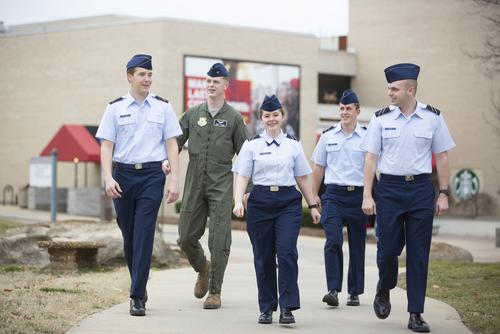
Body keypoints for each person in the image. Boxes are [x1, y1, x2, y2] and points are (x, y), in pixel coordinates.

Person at [360, 63, 455, 332]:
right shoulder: (380, 118)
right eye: (389, 88)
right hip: (389, 190)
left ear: (410, 89)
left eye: (394, 88)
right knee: (387, 250)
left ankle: (415, 313)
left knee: (418, 254)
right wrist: (368, 194)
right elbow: (370, 158)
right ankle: (385, 285)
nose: (389, 92)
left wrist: (444, 193)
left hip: (421, 190)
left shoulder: (433, 117)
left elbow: (443, 155)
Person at [96, 54, 182, 316]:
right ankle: (140, 286)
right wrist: (108, 177)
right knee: (129, 235)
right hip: (122, 176)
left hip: (152, 176)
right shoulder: (115, 108)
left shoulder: (163, 107)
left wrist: (175, 179)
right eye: (142, 74)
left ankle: (136, 296)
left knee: (144, 233)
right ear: (130, 76)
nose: (147, 79)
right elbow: (106, 146)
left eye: (150, 74)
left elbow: (171, 145)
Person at [232, 95, 321, 325]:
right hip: (260, 201)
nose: (271, 119)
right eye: (267, 116)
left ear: (282, 116)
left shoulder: (293, 144)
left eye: (275, 115)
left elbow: (302, 176)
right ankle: (267, 307)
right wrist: (238, 201)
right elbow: (242, 175)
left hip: (287, 202)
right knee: (263, 257)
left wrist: (312, 204)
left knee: (287, 252)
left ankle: (287, 307)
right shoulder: (252, 145)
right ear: (261, 118)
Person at [176, 62, 249, 309]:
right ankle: (202, 268)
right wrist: (166, 160)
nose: (210, 84)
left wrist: (246, 191)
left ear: (226, 85)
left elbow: (246, 155)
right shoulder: (192, 114)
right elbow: (174, 141)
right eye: (208, 80)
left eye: (215, 81)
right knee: (185, 237)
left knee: (219, 239)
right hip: (194, 182)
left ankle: (215, 292)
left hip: (221, 184)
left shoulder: (235, 118)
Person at [311, 89, 368, 308]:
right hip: (333, 195)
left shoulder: (366, 136)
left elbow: (373, 169)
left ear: (357, 111)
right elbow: (318, 169)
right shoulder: (328, 136)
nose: (345, 112)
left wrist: (370, 196)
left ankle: (354, 292)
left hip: (358, 196)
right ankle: (333, 289)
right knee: (333, 240)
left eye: (349, 109)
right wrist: (314, 196)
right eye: (342, 108)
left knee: (357, 245)